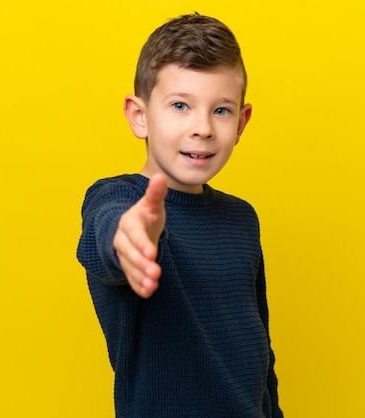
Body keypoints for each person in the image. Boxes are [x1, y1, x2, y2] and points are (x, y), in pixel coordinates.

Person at [77, 13, 283, 417]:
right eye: (180, 106)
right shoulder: (119, 198)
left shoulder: (242, 219)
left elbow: (260, 356)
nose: (202, 128)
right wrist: (132, 238)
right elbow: (110, 229)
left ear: (241, 123)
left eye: (221, 111)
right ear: (139, 116)